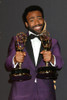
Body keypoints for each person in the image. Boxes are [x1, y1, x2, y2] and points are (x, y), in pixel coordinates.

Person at [5, 5, 64, 100]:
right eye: (32, 20)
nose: (37, 23)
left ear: (43, 20)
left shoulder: (53, 42)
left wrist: (52, 58)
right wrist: (15, 59)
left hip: (46, 95)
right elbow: (8, 64)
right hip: (20, 95)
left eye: (39, 18)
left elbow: (60, 63)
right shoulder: (17, 40)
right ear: (26, 24)